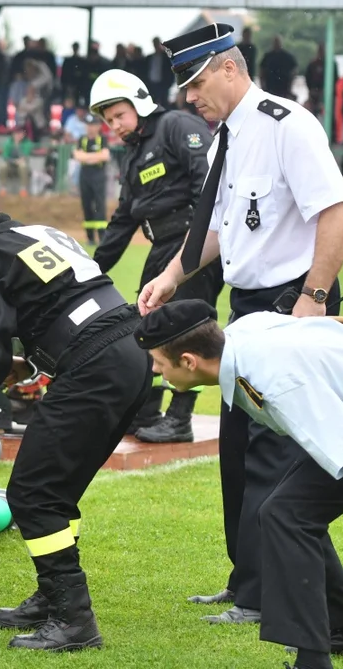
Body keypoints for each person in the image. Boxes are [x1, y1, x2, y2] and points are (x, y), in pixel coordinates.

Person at [138, 23, 343, 625]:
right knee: (238, 449)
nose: (189, 97)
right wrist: (172, 276)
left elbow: (340, 212)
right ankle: (246, 582)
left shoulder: (289, 125)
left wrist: (312, 298)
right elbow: (219, 231)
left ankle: (264, 595)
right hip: (249, 307)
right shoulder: (222, 141)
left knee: (268, 452)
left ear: (229, 68)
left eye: (196, 81)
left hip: (291, 303)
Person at [0, 163, 152, 652]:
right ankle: (51, 598)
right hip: (128, 350)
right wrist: (36, 358)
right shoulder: (32, 232)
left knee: (33, 494)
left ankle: (74, 619)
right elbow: (61, 302)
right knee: (56, 490)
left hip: (92, 367)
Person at [134, 299, 343, 669]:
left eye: (159, 362)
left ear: (188, 361)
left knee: (287, 514)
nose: (155, 369)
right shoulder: (239, 339)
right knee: (287, 512)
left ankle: (313, 661)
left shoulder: (275, 380)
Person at [89, 68, 225, 443]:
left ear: (138, 103)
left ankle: (179, 420)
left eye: (119, 115)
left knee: (187, 335)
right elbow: (122, 221)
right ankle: (146, 412)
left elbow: (208, 183)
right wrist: (90, 270)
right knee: (147, 327)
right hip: (161, 248)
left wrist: (196, 247)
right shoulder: (132, 156)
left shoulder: (178, 126)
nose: (114, 125)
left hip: (194, 246)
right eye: (108, 120)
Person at [73, 114, 109, 245]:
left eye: (93, 125)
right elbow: (77, 156)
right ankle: (90, 238)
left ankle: (102, 237)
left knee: (99, 205)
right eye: (88, 125)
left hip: (98, 175)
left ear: (98, 126)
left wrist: (86, 157)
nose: (90, 128)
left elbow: (105, 156)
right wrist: (95, 157)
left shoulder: (102, 139)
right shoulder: (81, 139)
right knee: (86, 205)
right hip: (85, 176)